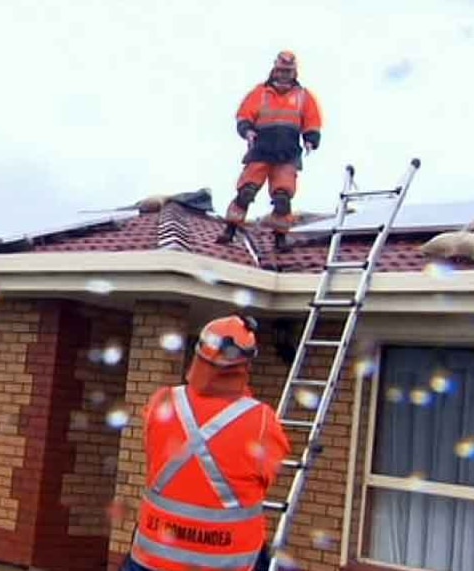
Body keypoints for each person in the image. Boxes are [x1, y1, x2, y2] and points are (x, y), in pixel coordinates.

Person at [123, 314, 292, 571]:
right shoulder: (261, 421)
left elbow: (153, 448)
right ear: (245, 365)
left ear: (198, 355)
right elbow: (267, 475)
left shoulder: (162, 401)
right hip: (227, 563)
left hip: (151, 559)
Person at [217, 50, 323, 253]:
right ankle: (230, 229)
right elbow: (244, 114)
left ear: (294, 73)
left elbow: (312, 121)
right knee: (246, 192)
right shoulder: (260, 92)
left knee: (283, 197)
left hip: (287, 153)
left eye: (288, 71)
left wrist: (311, 140)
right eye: (281, 70)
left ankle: (280, 238)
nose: (284, 75)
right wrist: (247, 131)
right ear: (275, 70)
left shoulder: (303, 96)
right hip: (261, 150)